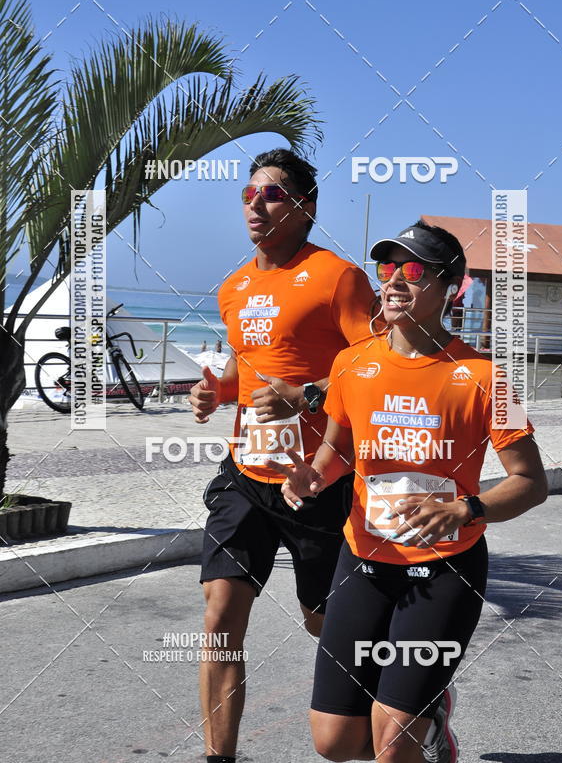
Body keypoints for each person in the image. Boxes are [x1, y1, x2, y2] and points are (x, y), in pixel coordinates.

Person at [273, 220, 548, 763]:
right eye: (387, 268)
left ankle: (420, 718)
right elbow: (338, 451)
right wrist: (312, 476)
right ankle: (429, 708)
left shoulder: (486, 376)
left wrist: (466, 508)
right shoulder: (352, 363)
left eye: (415, 270)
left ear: (453, 287)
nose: (395, 281)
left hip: (447, 567)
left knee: (392, 742)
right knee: (335, 744)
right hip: (363, 560)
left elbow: (531, 482)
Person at [188, 148, 377, 763]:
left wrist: (307, 396)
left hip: (318, 481)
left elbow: (377, 369)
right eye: (248, 195)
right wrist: (216, 389)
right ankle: (220, 758)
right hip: (245, 474)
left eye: (270, 195)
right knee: (220, 618)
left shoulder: (338, 277)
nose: (255, 205)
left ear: (304, 207)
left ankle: (411, 708)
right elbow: (248, 362)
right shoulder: (234, 286)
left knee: (323, 624)